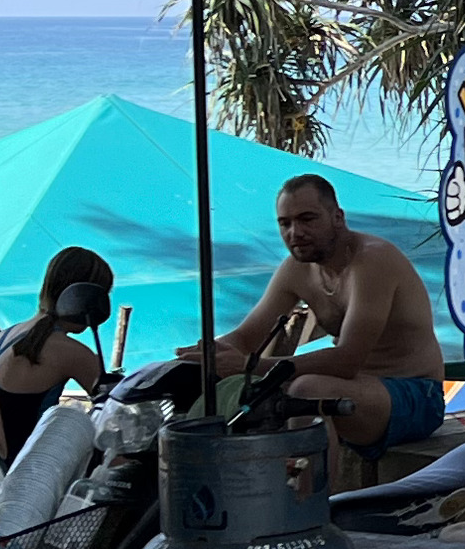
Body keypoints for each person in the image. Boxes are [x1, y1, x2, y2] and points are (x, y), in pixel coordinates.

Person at [184, 176, 448, 467]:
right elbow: (245, 338)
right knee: (248, 396)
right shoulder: (296, 270)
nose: (296, 232)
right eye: (285, 223)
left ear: (338, 217)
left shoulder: (373, 260)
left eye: (307, 219)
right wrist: (193, 359)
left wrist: (249, 366)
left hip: (415, 395)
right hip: (353, 392)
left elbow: (347, 360)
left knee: (305, 391)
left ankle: (310, 504)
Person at [0, 245, 114, 462]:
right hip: (45, 481)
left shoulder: (3, 339)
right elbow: (122, 419)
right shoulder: (67, 351)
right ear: (87, 297)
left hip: (9, 481)